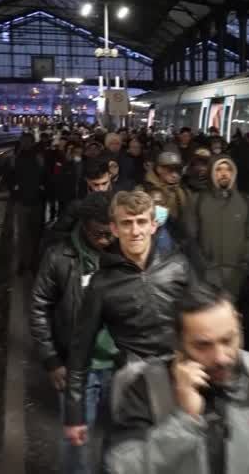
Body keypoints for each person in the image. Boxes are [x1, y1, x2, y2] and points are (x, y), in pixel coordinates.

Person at [102, 284, 249, 474]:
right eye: (203, 346)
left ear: (238, 324)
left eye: (228, 340)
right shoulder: (147, 387)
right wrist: (185, 419)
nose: (220, 357)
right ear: (178, 343)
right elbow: (122, 467)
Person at [64, 191, 191, 447]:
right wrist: (74, 413)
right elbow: (79, 350)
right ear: (114, 228)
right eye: (127, 223)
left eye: (142, 221)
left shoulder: (177, 267)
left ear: (153, 225)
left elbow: (204, 320)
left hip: (180, 379)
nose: (135, 231)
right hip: (133, 387)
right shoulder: (102, 284)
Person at [30, 191, 117, 474]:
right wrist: (51, 360)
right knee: (77, 442)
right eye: (100, 234)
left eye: (111, 233)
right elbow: (39, 307)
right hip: (77, 369)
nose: (107, 240)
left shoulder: (122, 251)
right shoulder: (59, 256)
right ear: (85, 226)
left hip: (118, 366)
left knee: (118, 439)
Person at [182, 155, 249, 300]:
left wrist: (245, 266)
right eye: (219, 169)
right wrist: (202, 268)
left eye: (228, 169)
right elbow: (190, 238)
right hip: (205, 275)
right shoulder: (197, 200)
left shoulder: (246, 201)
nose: (224, 173)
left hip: (236, 276)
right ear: (211, 172)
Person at [12, 133, 47, 272]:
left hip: (26, 199)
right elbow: (45, 175)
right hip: (34, 199)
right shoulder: (38, 156)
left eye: (27, 141)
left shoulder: (18, 157)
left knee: (25, 234)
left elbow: (11, 176)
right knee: (34, 233)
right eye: (24, 141)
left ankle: (25, 261)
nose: (25, 144)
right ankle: (31, 261)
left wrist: (15, 191)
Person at [142, 150, 188, 221]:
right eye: (170, 170)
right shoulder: (145, 189)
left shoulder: (181, 190)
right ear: (159, 169)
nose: (175, 175)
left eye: (178, 170)